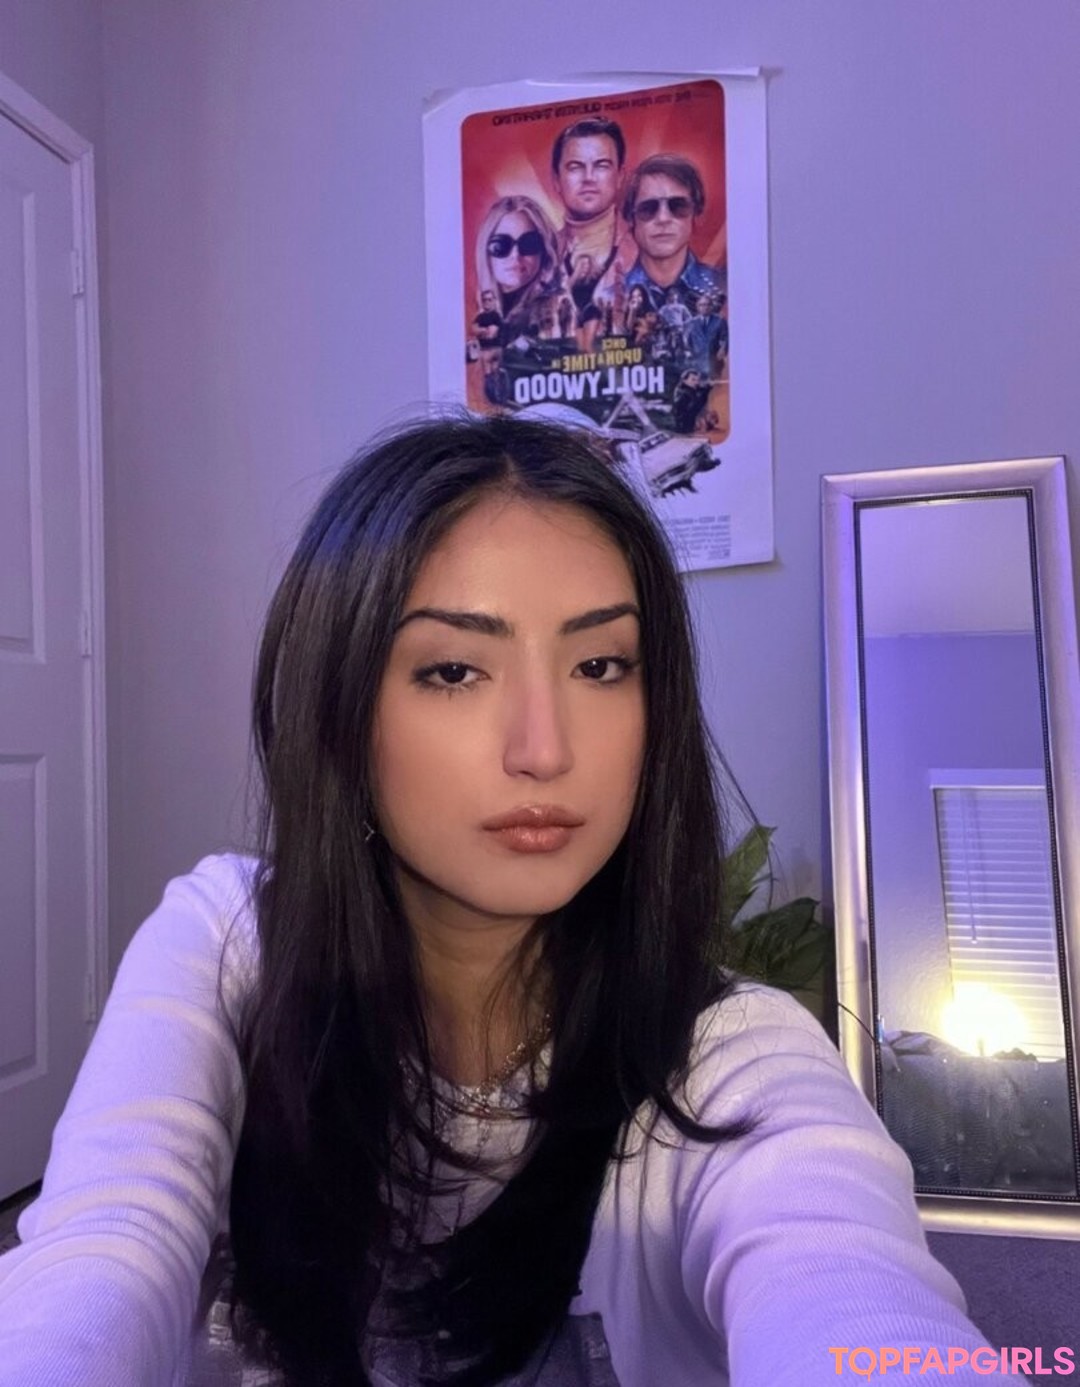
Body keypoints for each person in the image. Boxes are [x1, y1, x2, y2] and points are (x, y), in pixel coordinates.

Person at [0, 415, 1013, 1386]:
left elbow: (851, 1285)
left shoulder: (729, 1052)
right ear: (338, 707)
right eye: (453, 670)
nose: (545, 748)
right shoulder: (230, 940)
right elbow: (103, 1244)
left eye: (600, 665)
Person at [549, 118, 636, 345]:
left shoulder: (645, 249)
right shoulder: (539, 258)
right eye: (575, 167)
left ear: (620, 176)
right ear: (556, 180)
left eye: (601, 165)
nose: (588, 178)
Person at [622, 152, 725, 314]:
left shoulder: (727, 288)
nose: (663, 218)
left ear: (696, 214)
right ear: (630, 218)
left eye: (678, 206)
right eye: (648, 208)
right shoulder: (609, 297)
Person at [474, 196, 561, 354]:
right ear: (485, 251)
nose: (516, 255)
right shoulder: (468, 309)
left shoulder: (556, 310)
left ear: (544, 252)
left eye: (529, 243)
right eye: (501, 245)